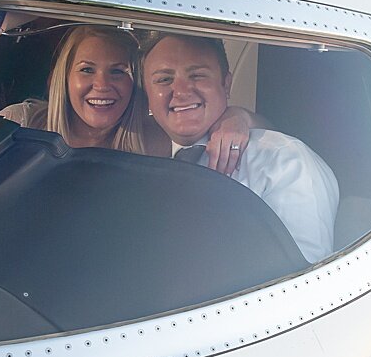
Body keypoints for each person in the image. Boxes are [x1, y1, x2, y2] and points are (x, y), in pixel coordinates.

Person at [141, 33, 340, 263]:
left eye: (197, 75)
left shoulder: (283, 161)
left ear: (226, 84)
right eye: (164, 80)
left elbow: (301, 277)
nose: (182, 91)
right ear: (148, 95)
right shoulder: (144, 166)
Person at [0, 24, 254, 170]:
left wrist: (237, 118)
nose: (101, 85)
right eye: (87, 70)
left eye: (118, 71)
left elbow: (264, 134)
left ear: (137, 84)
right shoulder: (18, 123)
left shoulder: (154, 140)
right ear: (64, 77)